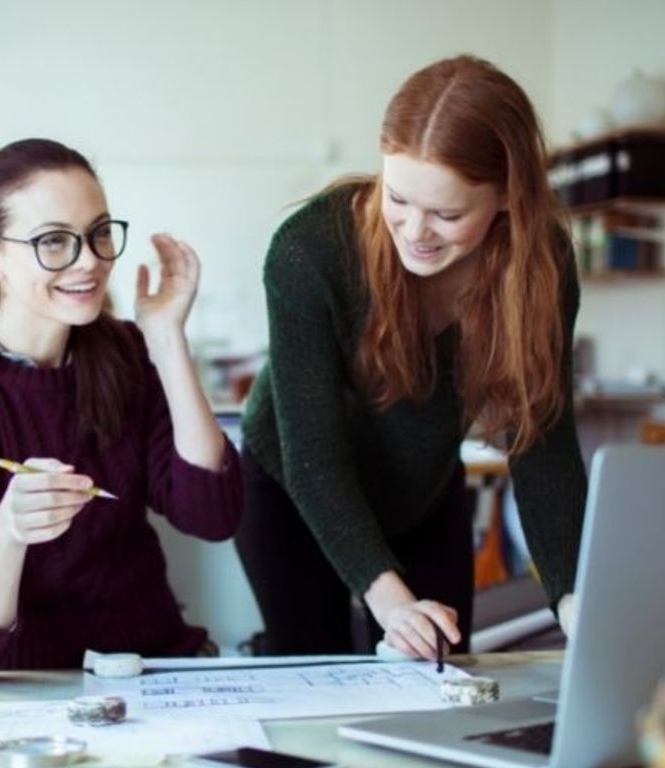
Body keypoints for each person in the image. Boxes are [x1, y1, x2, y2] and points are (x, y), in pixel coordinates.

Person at [235, 55, 586, 659]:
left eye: (448, 215)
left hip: (420, 490)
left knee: (440, 680)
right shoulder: (310, 251)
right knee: (315, 682)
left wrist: (578, 603)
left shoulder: (541, 266)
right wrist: (392, 603)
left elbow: (541, 441)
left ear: (507, 196)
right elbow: (313, 454)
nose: (415, 232)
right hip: (293, 488)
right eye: (398, 198)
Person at [0, 138, 242, 678]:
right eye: (53, 242)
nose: (89, 261)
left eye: (99, 234)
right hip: (20, 697)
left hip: (153, 672)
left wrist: (167, 339)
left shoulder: (125, 352)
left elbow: (213, 513)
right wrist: (11, 531)